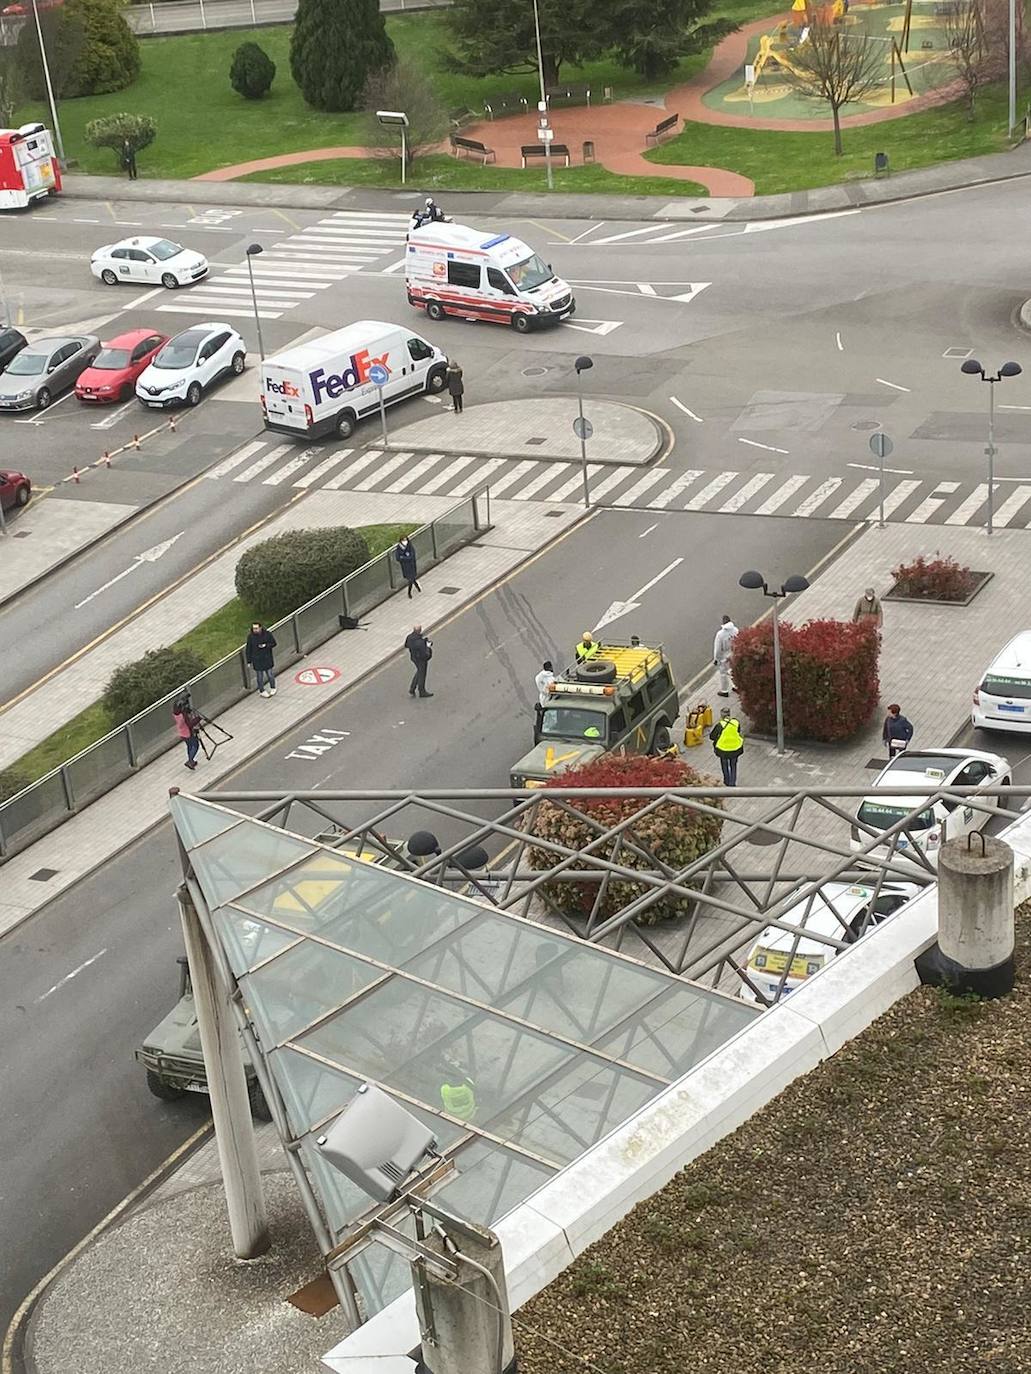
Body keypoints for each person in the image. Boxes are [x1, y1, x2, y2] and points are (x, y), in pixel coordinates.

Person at [711, 706, 744, 787]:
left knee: (725, 766)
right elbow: (738, 731)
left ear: (721, 716)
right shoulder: (736, 722)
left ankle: (727, 782)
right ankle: (733, 784)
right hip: (735, 748)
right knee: (733, 766)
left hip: (723, 750)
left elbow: (712, 736)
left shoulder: (720, 725)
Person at [245, 622, 278, 697]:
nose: (255, 630)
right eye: (254, 628)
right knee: (259, 676)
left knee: (270, 674)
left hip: (267, 657)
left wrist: (265, 645)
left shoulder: (267, 634)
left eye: (256, 628)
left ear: (260, 628)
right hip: (257, 659)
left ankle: (273, 687)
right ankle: (261, 690)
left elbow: (273, 643)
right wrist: (249, 661)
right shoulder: (250, 637)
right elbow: (248, 649)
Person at [173, 696, 203, 771]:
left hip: (182, 733)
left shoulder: (176, 714)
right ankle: (190, 761)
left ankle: (191, 761)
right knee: (195, 745)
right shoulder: (183, 715)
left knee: (189, 746)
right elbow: (190, 724)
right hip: (188, 733)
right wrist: (197, 719)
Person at [712, 614, 738, 698]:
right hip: (734, 653)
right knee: (733, 670)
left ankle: (724, 690)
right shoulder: (735, 630)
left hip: (724, 656)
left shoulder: (720, 634)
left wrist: (716, 659)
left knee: (723, 673)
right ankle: (736, 686)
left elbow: (718, 649)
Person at [405, 624, 433, 698]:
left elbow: (406, 645)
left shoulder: (409, 637)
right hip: (421, 660)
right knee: (422, 674)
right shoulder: (420, 643)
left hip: (414, 658)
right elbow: (425, 653)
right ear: (420, 630)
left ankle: (412, 688)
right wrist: (428, 647)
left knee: (419, 672)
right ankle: (421, 691)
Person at [534, 659, 555, 739]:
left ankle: (544, 729)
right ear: (550, 667)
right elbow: (552, 689)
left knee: (544, 714)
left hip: (542, 697)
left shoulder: (538, 676)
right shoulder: (551, 679)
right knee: (551, 715)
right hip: (549, 698)